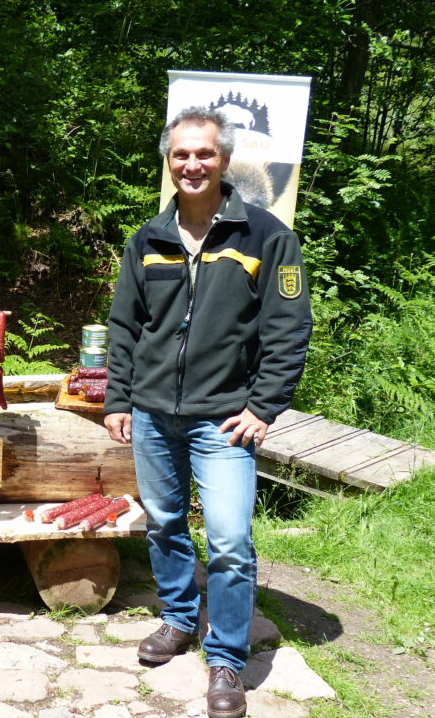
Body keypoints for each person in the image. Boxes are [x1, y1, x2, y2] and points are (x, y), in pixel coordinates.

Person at [104, 106, 312, 718]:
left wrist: (264, 406)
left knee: (228, 540)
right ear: (168, 162)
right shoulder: (148, 239)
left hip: (224, 420)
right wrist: (120, 398)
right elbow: (125, 326)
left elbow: (288, 328)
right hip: (152, 414)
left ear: (224, 161)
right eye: (181, 155)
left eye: (204, 154)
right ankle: (176, 618)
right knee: (165, 523)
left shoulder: (267, 237)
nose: (192, 164)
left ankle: (224, 658)